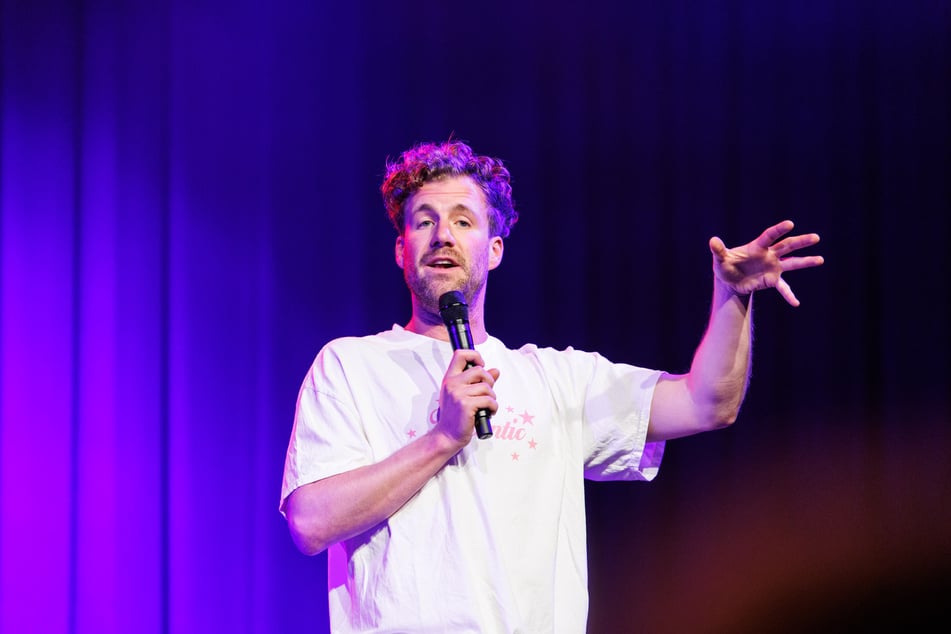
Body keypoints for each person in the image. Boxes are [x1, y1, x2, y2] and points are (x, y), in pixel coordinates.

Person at [279, 140, 823, 633]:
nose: (443, 234)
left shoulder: (557, 380)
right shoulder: (350, 365)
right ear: (401, 250)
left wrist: (733, 298)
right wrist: (442, 439)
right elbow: (310, 521)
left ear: (494, 249)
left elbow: (709, 402)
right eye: (424, 221)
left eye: (464, 221)